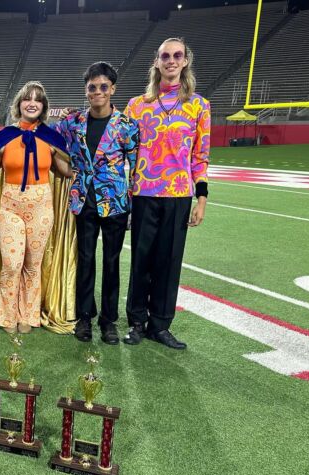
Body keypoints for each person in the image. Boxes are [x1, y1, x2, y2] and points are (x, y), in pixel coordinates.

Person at [123, 37, 210, 350]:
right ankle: (135, 321)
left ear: (185, 60)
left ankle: (160, 325)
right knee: (141, 261)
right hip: (144, 192)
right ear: (157, 62)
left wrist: (201, 200)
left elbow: (201, 157)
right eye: (165, 56)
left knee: (169, 261)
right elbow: (125, 154)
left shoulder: (199, 105)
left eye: (177, 55)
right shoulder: (137, 105)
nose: (171, 60)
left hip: (178, 195)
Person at [0, 81, 72, 334]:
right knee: (12, 264)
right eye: (27, 99)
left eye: (37, 99)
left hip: (41, 207)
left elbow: (65, 170)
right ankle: (7, 316)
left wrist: (94, 167)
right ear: (19, 104)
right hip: (10, 207)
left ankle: (28, 315)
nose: (32, 103)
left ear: (43, 106)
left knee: (32, 265)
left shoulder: (51, 138)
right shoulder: (6, 136)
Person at [55, 61, 139, 345]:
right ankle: (84, 317)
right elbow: (47, 135)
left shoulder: (127, 125)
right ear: (86, 90)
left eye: (104, 87)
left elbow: (136, 166)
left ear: (113, 89)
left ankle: (108, 321)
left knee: (112, 262)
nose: (98, 92)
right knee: (86, 260)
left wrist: (132, 205)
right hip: (83, 201)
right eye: (92, 87)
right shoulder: (73, 122)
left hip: (114, 202)